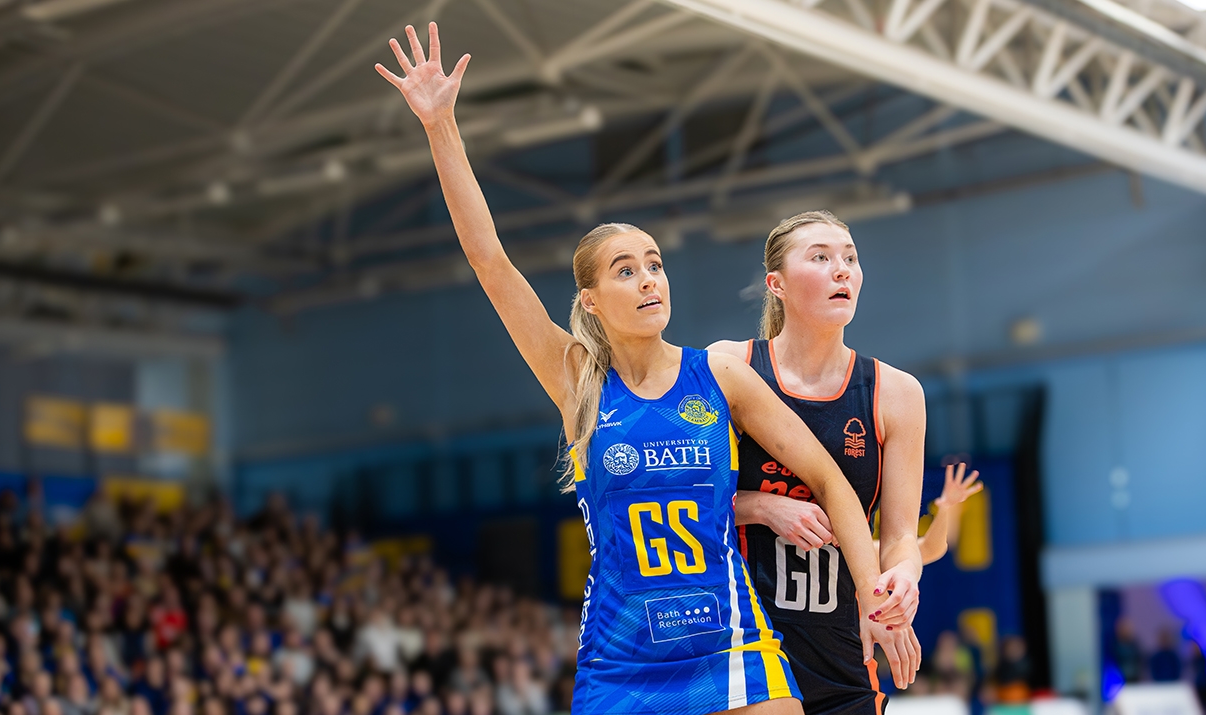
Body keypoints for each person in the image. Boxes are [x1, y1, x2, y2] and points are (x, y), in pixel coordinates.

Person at [375, 24, 907, 715]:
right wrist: (442, 126)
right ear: (592, 301)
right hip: (624, 659)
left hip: (731, 643)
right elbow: (491, 264)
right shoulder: (579, 382)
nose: (650, 279)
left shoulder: (719, 375)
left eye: (655, 263)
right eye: (627, 270)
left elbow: (832, 481)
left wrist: (873, 597)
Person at [709, 211, 933, 712]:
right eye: (821, 258)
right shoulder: (730, 367)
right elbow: (685, 501)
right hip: (743, 635)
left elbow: (898, 537)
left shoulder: (896, 393)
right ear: (777, 284)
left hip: (842, 643)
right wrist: (762, 507)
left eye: (850, 259)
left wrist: (901, 580)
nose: (843, 271)